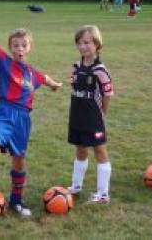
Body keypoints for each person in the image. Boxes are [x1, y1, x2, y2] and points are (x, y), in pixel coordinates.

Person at [0, 2, 62, 217]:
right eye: (15, 45)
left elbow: (45, 79)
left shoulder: (33, 74)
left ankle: (17, 200)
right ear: (11, 48)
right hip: (5, 112)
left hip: (23, 119)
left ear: (30, 48)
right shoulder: (4, 62)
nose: (19, 49)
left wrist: (55, 85)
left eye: (24, 45)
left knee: (19, 161)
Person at [66, 25, 114, 204]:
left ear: (97, 44)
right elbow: (73, 89)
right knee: (80, 149)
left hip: (94, 119)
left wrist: (102, 115)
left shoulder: (100, 71)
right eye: (79, 43)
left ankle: (103, 194)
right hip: (77, 117)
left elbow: (107, 95)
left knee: (100, 151)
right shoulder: (76, 67)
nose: (83, 46)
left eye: (87, 42)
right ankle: (76, 186)